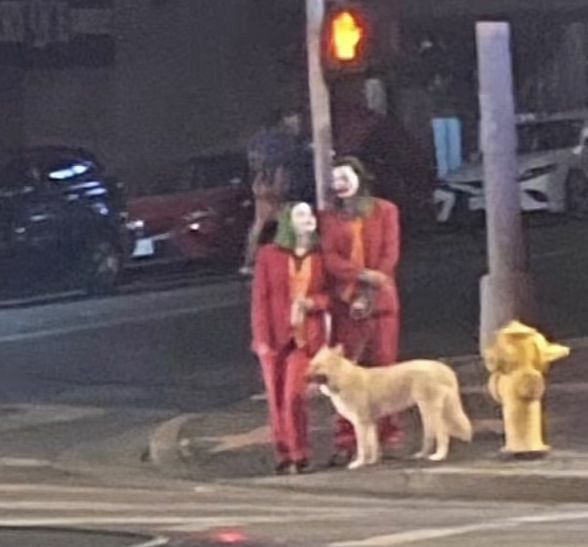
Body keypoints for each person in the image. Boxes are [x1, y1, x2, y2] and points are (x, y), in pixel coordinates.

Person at [319, 156, 402, 466]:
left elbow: (389, 254)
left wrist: (371, 287)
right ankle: (347, 439)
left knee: (385, 370)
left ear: (360, 177)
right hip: (346, 303)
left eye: (345, 176)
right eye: (335, 179)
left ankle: (388, 436)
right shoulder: (328, 218)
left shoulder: (385, 210)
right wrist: (360, 278)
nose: (340, 184)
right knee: (344, 373)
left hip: (380, 303)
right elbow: (329, 258)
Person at [251, 202, 330, 474]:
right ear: (288, 222)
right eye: (300, 214)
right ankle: (283, 452)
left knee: (294, 396)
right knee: (276, 397)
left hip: (306, 337)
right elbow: (260, 299)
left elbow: (329, 294)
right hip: (274, 337)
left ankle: (300, 451)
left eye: (309, 214)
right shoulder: (269, 255)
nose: (308, 219)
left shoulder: (320, 255)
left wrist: (313, 303)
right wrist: (261, 338)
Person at [242, 109, 312, 273]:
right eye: (292, 118)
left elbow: (253, 163)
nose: (296, 122)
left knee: (259, 223)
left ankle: (250, 261)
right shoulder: (283, 141)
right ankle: (293, 257)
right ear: (283, 120)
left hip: (260, 183)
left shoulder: (256, 141)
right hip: (276, 184)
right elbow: (285, 163)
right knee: (288, 219)